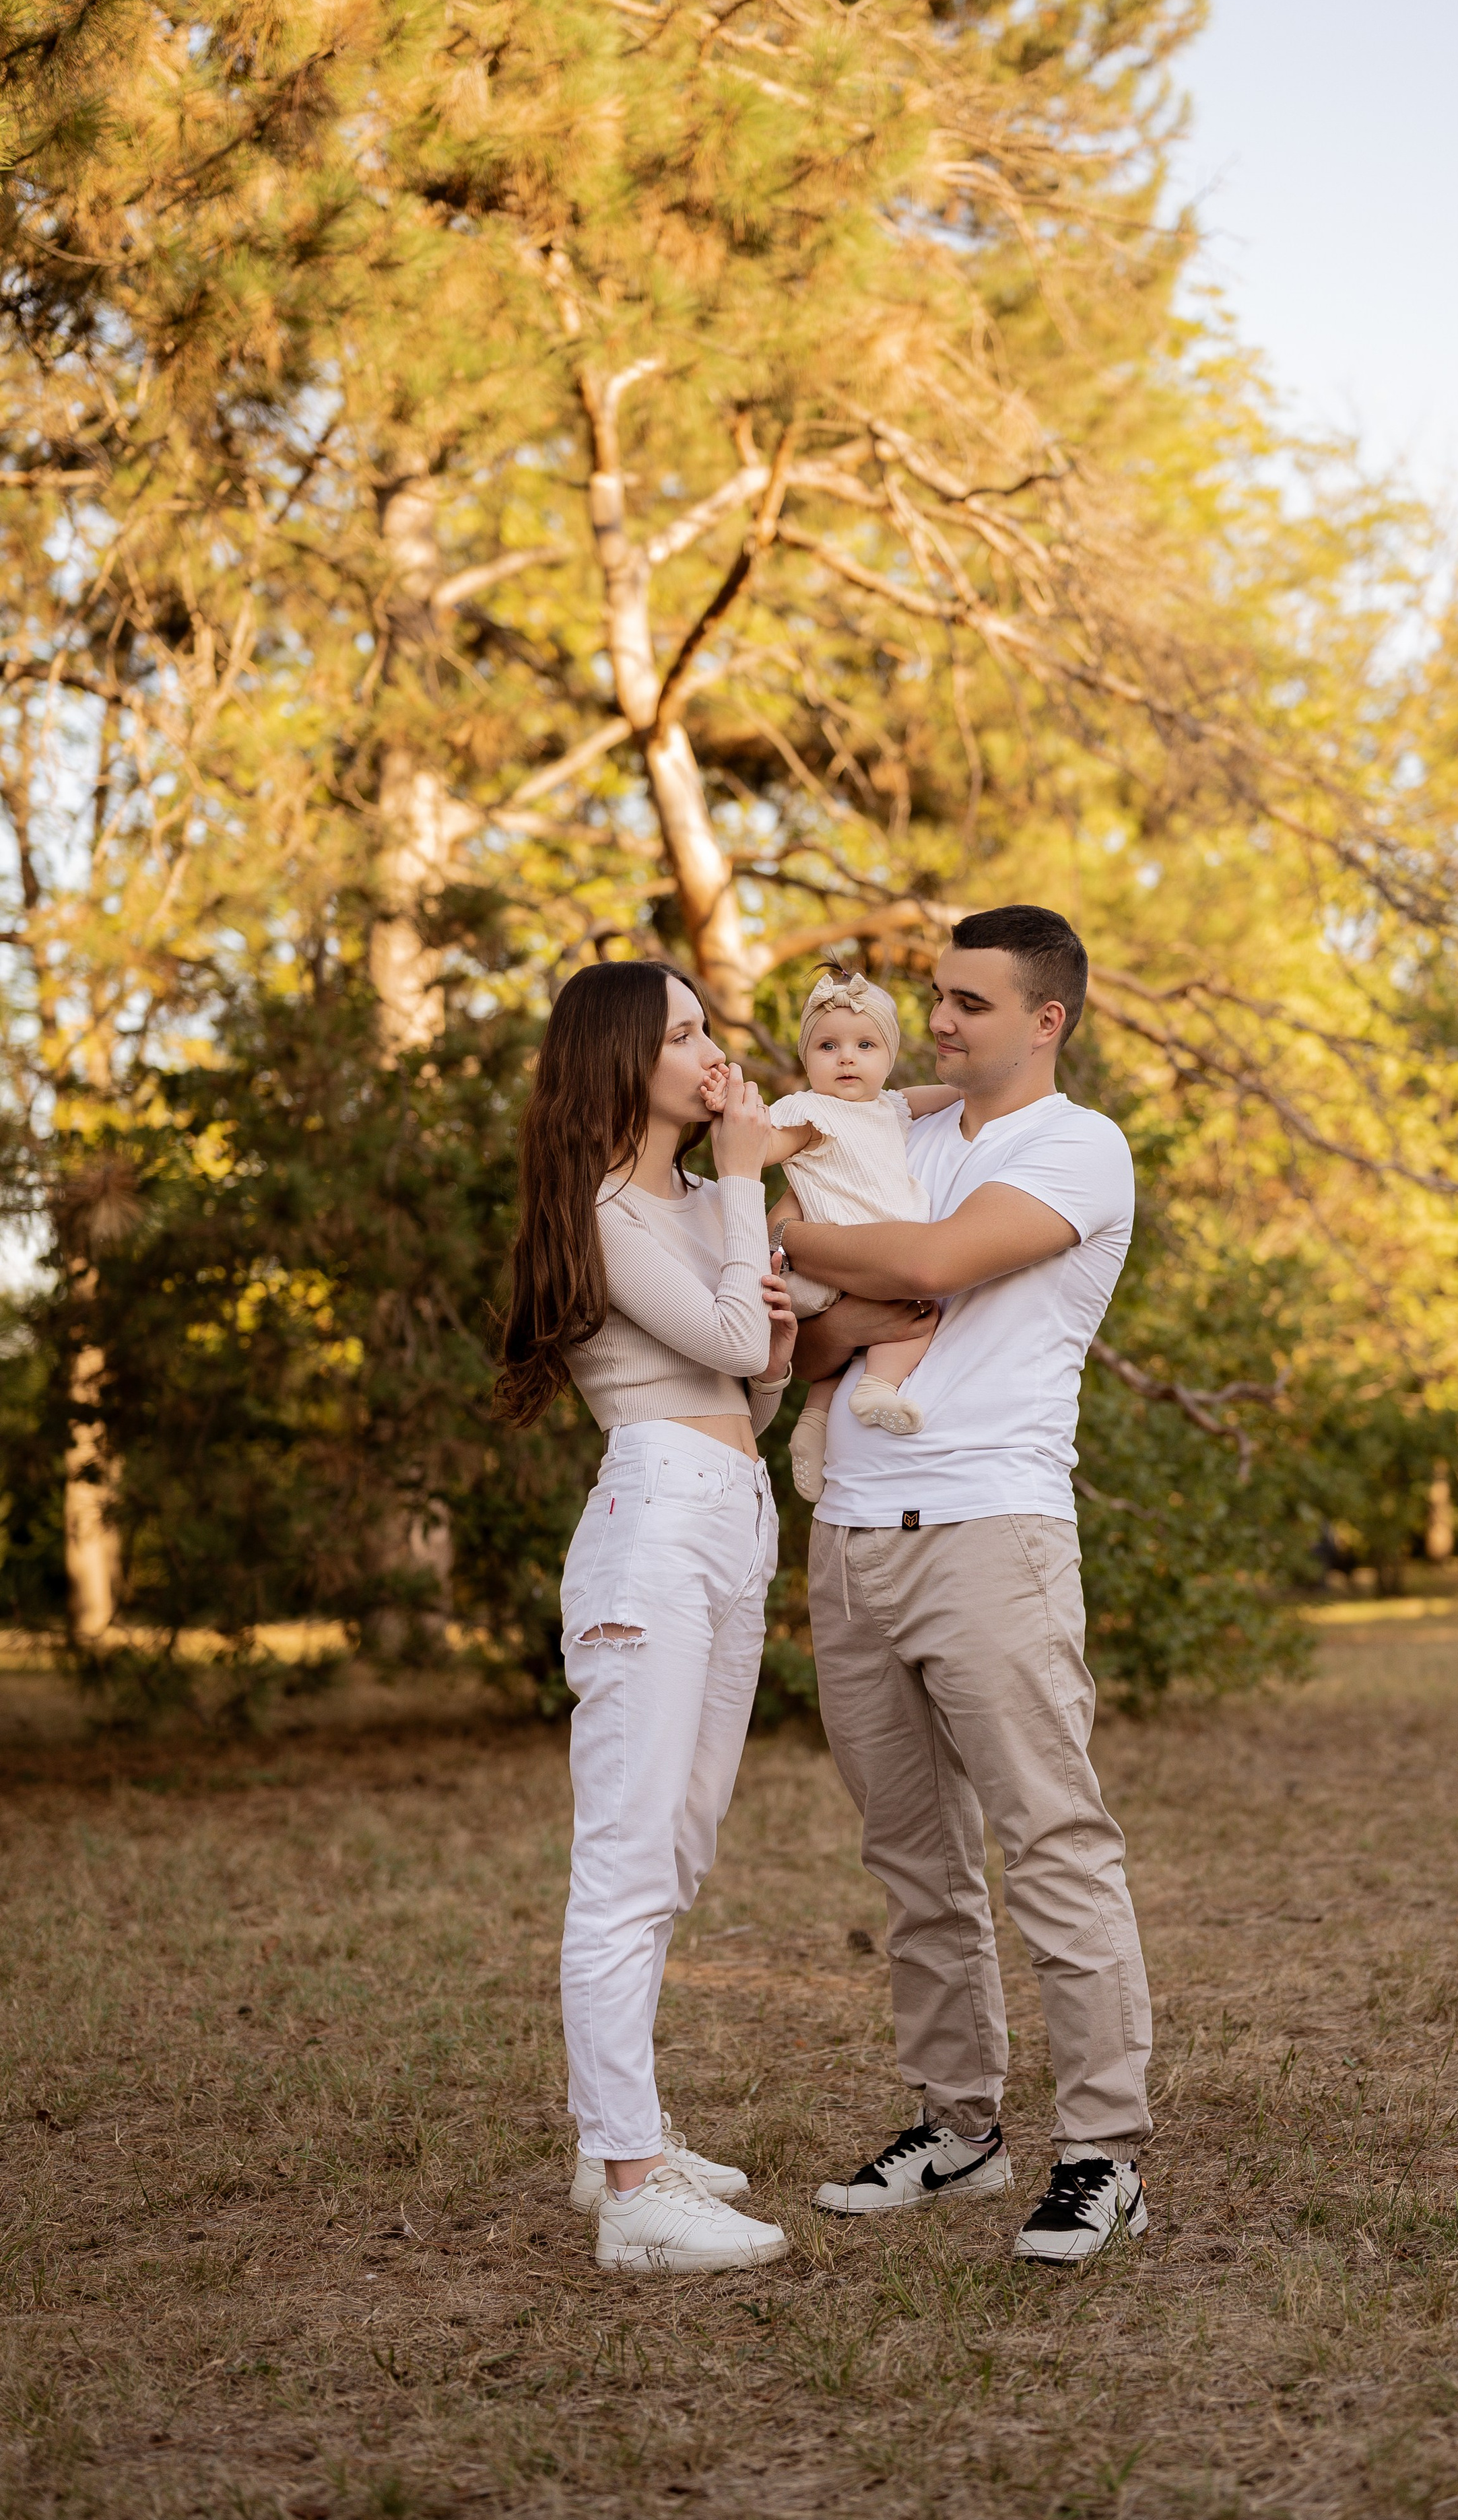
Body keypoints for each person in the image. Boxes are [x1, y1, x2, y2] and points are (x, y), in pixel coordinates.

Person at [778, 905, 1154, 2263]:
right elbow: (806, 1349)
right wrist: (825, 1277)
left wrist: (798, 1238)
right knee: (910, 1858)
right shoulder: (893, 1134)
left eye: (968, 1004)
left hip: (991, 1533)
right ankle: (958, 2126)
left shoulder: (1079, 1147)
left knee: (1049, 1840)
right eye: (933, 997)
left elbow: (928, 1267)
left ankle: (1104, 2152)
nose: (934, 1022)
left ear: (1045, 1019)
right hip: (851, 1538)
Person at [494, 959, 800, 2274]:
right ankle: (630, 2193)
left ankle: (616, 2132)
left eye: (705, 1024)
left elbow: (751, 1382)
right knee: (623, 1863)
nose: (709, 1047)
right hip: (657, 1520)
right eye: (681, 1031)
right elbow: (728, 1346)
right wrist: (747, 1182)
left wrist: (770, 1325)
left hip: (733, 1504)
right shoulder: (606, 1204)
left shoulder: (680, 1198)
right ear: (623, 1057)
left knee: (679, 1842)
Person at [757, 965, 960, 1501]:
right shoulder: (810, 1113)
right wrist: (738, 1119)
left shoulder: (890, 1108)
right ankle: (877, 1386)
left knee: (851, 1342)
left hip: (854, 1262)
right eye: (828, 1046)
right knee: (919, 1315)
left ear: (888, 1059)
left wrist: (968, 1086)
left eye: (865, 1044)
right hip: (842, 1255)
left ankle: (814, 1423)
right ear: (806, 1060)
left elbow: (939, 1095)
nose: (846, 1057)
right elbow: (765, 1148)